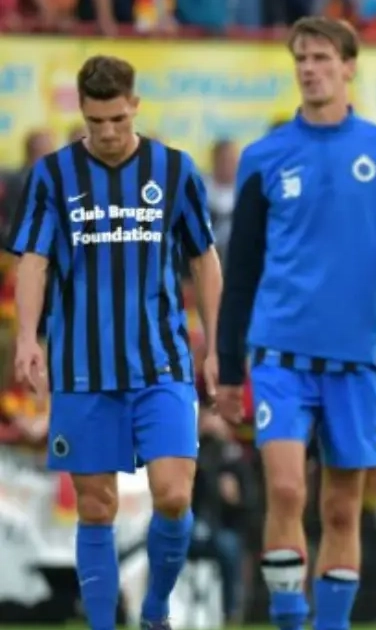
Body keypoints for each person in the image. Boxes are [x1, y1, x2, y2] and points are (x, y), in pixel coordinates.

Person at [213, 17, 376, 630]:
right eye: (301, 59)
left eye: (322, 58)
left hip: (356, 359)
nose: (310, 69)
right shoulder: (264, 157)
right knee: (285, 490)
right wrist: (228, 367)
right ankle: (288, 619)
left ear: (349, 66)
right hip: (279, 354)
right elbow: (241, 270)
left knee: (341, 507)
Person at [7, 55, 222, 630]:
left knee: (174, 496)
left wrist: (217, 342)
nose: (107, 133)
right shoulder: (52, 176)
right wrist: (27, 337)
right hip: (82, 369)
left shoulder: (174, 170)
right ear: (82, 112)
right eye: (95, 121)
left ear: (136, 106)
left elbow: (204, 259)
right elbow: (34, 261)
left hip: (163, 362)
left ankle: (154, 610)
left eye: (118, 120)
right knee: (96, 506)